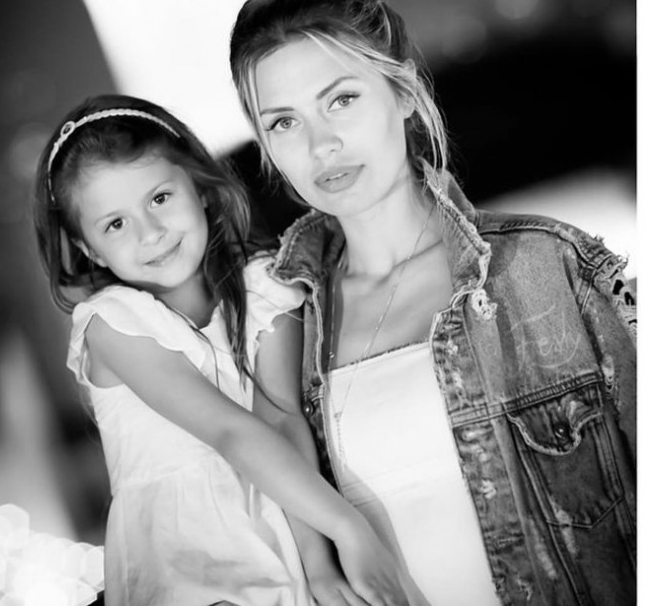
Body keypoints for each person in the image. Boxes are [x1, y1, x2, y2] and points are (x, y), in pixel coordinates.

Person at [228, 0, 637, 606]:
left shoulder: (554, 269)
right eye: (284, 122)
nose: (321, 145)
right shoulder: (284, 329)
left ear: (404, 93)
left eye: (341, 99)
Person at [33, 94, 427, 606]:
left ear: (198, 186)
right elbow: (230, 431)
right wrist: (350, 529)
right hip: (185, 566)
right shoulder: (111, 323)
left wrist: (316, 561)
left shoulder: (265, 289)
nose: (151, 233)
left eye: (159, 198)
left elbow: (281, 420)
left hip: (283, 539)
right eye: (116, 224)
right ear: (89, 248)